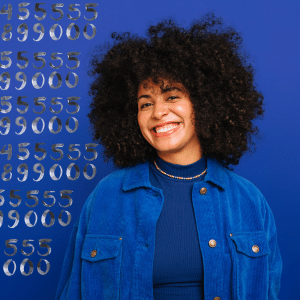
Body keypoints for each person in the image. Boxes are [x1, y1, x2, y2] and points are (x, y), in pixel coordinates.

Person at [55, 13, 282, 300]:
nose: (158, 112)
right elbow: (72, 291)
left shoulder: (249, 201)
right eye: (145, 103)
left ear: (203, 102)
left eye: (172, 96)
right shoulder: (107, 197)